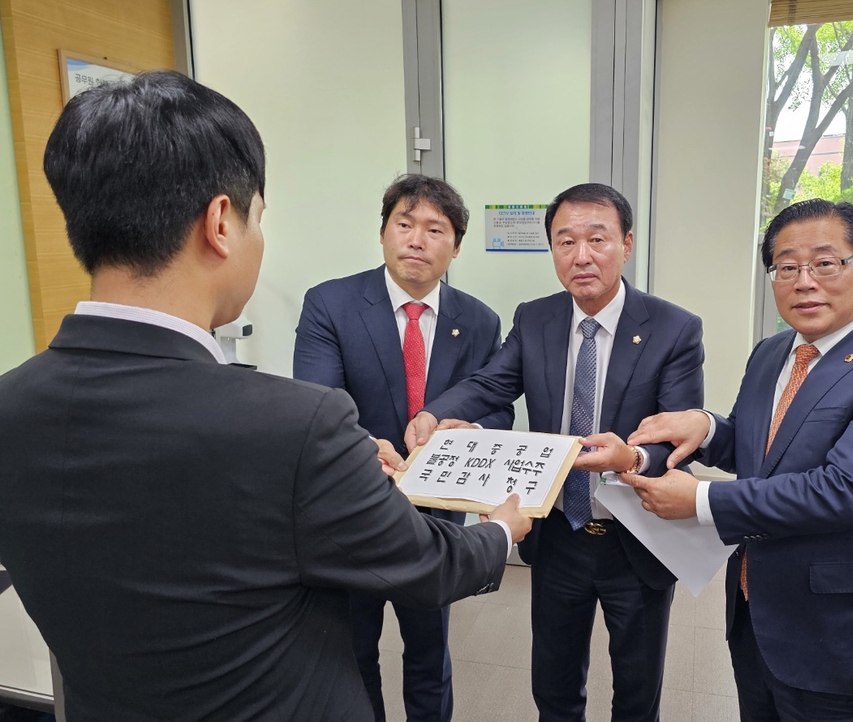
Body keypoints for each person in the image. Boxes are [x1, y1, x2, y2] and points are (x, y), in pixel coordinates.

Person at [0, 70, 532, 722]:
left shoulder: (11, 407)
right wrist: (503, 531)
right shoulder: (296, 425)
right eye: (258, 217)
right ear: (222, 222)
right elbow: (424, 565)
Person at [625, 199, 853, 722]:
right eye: (786, 267)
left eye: (825, 263)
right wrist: (707, 427)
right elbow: (763, 449)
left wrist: (701, 499)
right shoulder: (772, 352)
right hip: (760, 616)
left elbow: (844, 489)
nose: (804, 281)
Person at [405, 183, 705, 722]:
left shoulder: (673, 328)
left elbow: (674, 440)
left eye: (597, 239)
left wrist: (632, 460)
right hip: (557, 535)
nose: (581, 256)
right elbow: (492, 383)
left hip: (634, 534)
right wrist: (435, 413)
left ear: (627, 244)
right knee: (554, 682)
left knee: (637, 690)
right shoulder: (536, 317)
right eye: (565, 242)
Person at [293, 174, 512, 722]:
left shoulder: (481, 320)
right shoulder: (331, 304)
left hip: (435, 519)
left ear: (456, 246)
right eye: (404, 224)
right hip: (351, 508)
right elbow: (319, 404)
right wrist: (373, 454)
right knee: (351, 648)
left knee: (430, 652)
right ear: (384, 233)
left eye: (435, 229)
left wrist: (470, 436)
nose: (417, 240)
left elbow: (496, 408)